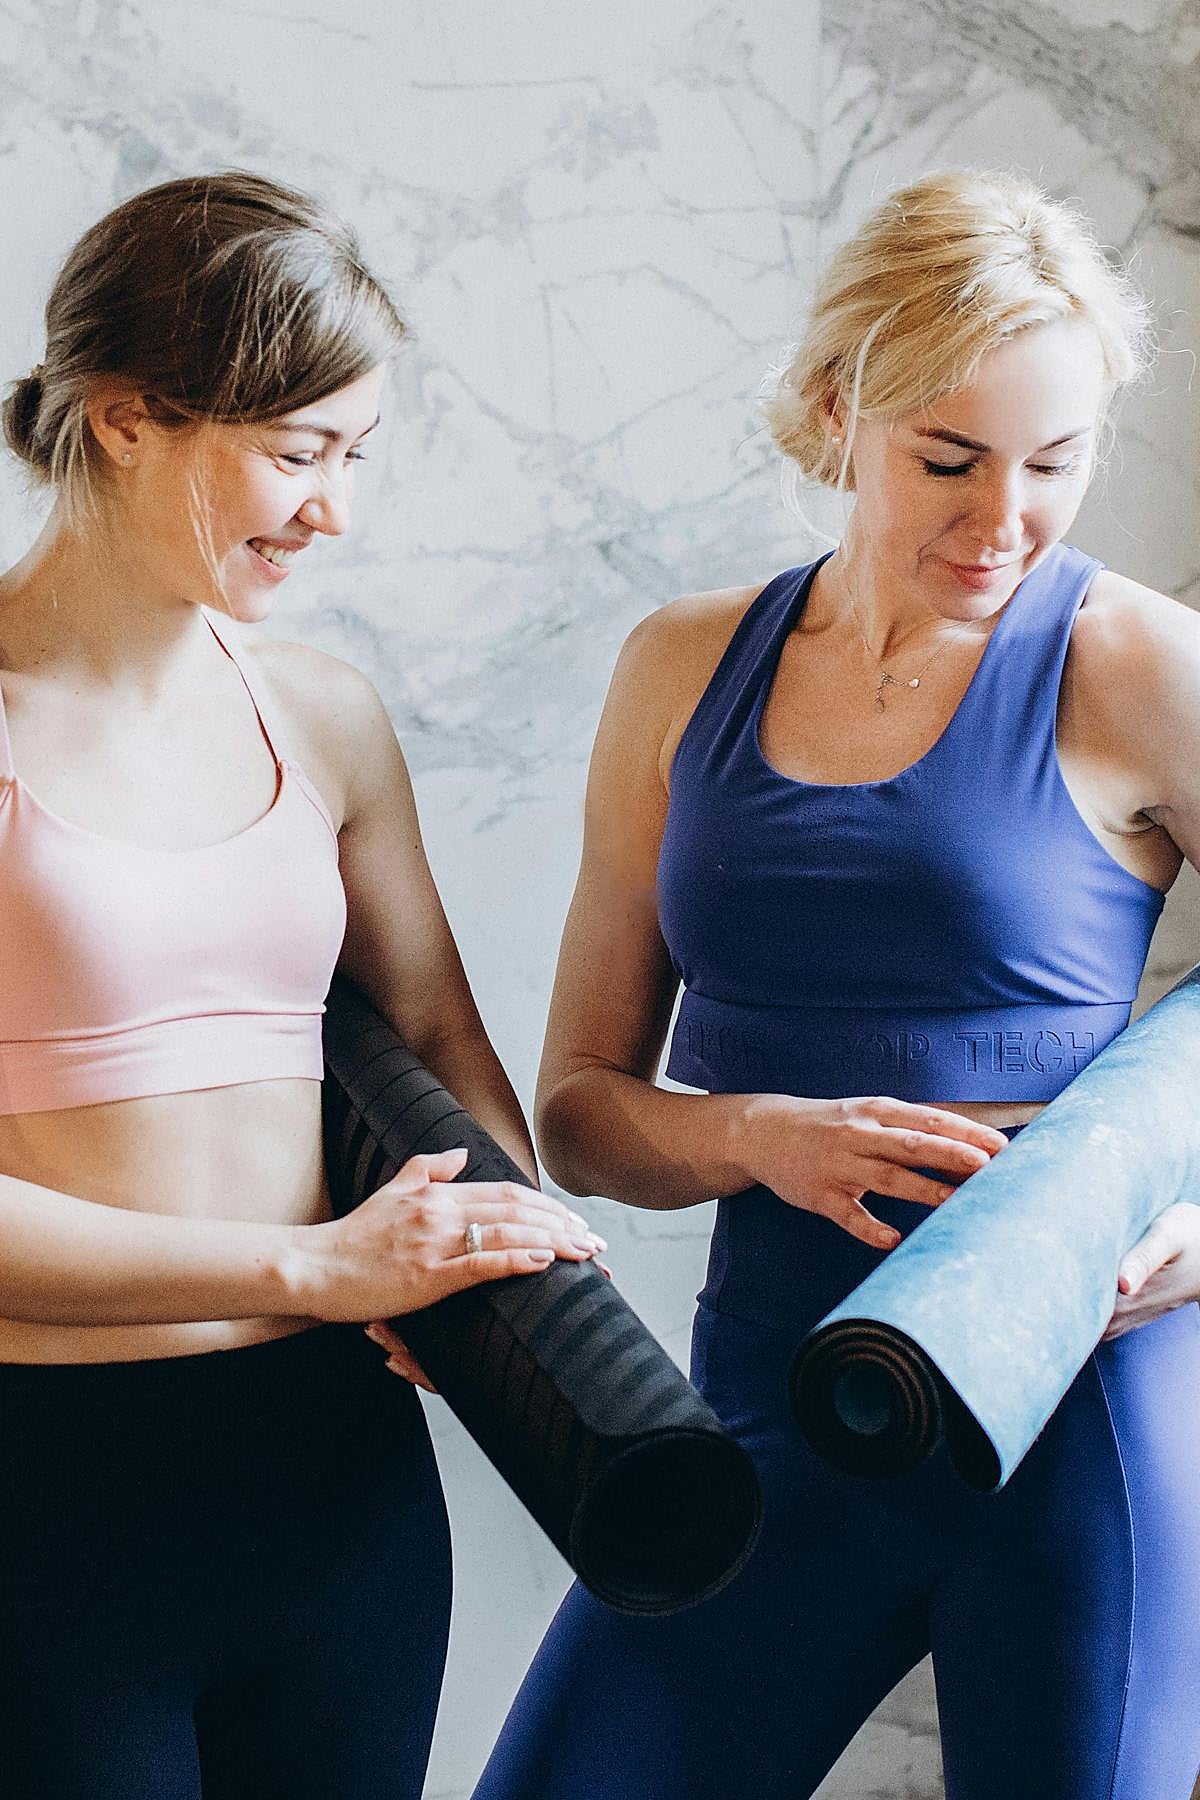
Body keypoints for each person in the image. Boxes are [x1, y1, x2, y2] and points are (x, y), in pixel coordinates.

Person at [469, 170, 1200, 1800]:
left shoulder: (1142, 663)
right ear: (833, 409)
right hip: (771, 1408)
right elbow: (582, 1109)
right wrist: (757, 1141)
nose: (1001, 518)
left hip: (1077, 1419)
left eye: (1055, 463)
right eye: (949, 458)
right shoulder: (685, 665)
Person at [0, 171, 604, 1800]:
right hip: (45, 1494)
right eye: (296, 453)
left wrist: (500, 1278)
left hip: (337, 1486)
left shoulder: (324, 716)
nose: (336, 510)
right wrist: (322, 1262)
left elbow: (434, 1040)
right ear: (125, 420)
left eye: (358, 455)